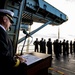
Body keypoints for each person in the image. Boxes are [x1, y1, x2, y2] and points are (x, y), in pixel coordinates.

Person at [0, 9, 27, 75]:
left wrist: (15, 56)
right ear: (4, 19)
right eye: (10, 21)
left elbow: (4, 51)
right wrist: (19, 61)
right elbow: (4, 58)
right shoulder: (1, 33)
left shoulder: (3, 32)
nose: (11, 24)